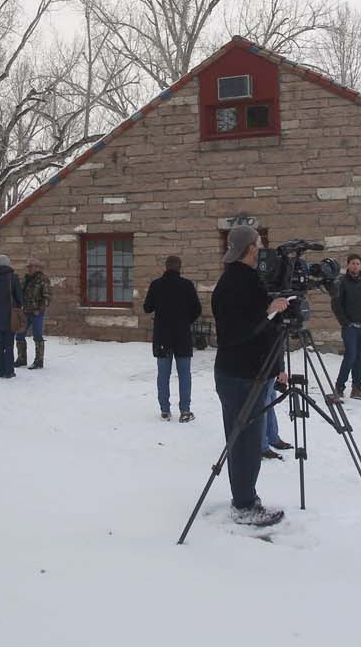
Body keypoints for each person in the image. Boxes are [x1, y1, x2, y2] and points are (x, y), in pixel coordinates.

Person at [211, 224, 290, 527]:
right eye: (258, 243)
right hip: (239, 375)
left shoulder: (249, 279)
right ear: (250, 249)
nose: (262, 248)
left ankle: (245, 497)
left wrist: (275, 312)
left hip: (252, 371)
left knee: (247, 440)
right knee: (244, 442)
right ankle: (243, 505)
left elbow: (263, 327)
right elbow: (235, 333)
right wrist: (269, 311)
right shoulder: (231, 284)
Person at [142, 255, 202, 422]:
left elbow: (147, 308)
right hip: (182, 335)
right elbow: (197, 309)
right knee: (184, 375)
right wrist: (185, 321)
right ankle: (185, 410)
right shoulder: (187, 285)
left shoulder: (156, 285)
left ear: (166, 267)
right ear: (179, 267)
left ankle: (165, 410)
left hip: (162, 336)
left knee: (163, 374)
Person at [331, 253, 361, 400]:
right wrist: (345, 322)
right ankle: (339, 387)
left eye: (358, 263)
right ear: (348, 265)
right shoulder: (342, 282)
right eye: (353, 263)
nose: (355, 266)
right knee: (350, 356)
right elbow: (336, 304)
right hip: (350, 326)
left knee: (359, 358)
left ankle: (357, 388)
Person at [20, 258, 52, 370]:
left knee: (37, 335)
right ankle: (21, 358)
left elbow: (47, 297)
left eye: (31, 266)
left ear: (37, 267)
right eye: (28, 266)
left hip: (36, 312)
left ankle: (39, 361)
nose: (29, 268)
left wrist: (40, 309)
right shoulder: (25, 279)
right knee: (19, 335)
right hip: (25, 311)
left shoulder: (43, 279)